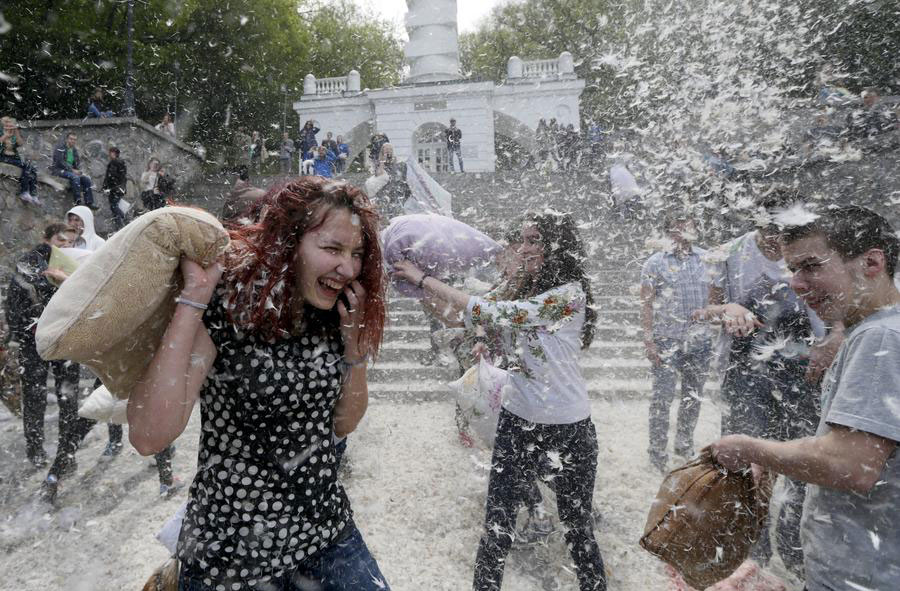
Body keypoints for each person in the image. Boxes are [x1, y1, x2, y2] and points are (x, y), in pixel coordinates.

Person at [126, 177, 390, 590]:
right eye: (332, 249)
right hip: (230, 553)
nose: (349, 267)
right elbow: (147, 437)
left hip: (326, 535)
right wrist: (195, 295)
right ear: (290, 242)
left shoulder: (334, 315)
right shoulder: (230, 306)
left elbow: (343, 425)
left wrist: (354, 347)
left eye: (356, 253)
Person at [393, 212, 606, 591]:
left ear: (558, 246)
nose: (523, 248)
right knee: (496, 528)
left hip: (569, 428)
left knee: (578, 532)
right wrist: (417, 289)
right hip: (516, 422)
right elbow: (463, 315)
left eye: (534, 240)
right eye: (522, 240)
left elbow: (493, 312)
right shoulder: (517, 285)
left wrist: (426, 278)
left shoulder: (568, 294)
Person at [710, 205, 900, 591]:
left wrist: (749, 448)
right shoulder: (879, 328)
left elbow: (853, 464)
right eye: (793, 269)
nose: (796, 284)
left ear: (872, 263)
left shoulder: (881, 338)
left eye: (811, 266)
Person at [640, 214, 712, 472]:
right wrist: (649, 341)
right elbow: (646, 304)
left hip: (700, 342)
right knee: (662, 399)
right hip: (666, 341)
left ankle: (684, 447)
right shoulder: (654, 263)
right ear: (668, 231)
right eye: (677, 225)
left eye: (688, 224)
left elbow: (716, 298)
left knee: (693, 398)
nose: (683, 230)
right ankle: (657, 453)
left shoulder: (707, 259)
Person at [4, 224, 79, 468]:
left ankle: (67, 451)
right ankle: (35, 450)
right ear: (45, 239)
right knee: (35, 396)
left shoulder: (74, 265)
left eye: (68, 242)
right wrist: (17, 335)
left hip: (64, 338)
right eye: (60, 240)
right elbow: (19, 297)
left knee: (67, 395)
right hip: (33, 340)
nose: (64, 246)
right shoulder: (30, 261)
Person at [0, 116, 41, 205]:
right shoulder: (1, 132)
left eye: (10, 124)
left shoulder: (14, 133)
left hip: (14, 158)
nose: (9, 126)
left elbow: (20, 143)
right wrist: (5, 136)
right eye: (6, 123)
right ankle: (24, 191)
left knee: (31, 168)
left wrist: (16, 132)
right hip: (3, 157)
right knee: (26, 167)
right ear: (3, 124)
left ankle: (33, 195)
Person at [51, 132, 97, 209]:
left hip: (70, 171)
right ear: (67, 139)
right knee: (75, 177)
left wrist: (79, 171)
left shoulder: (74, 150)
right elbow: (60, 162)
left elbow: (77, 163)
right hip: (59, 170)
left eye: (74, 140)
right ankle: (77, 202)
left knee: (86, 179)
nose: (73, 141)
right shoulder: (60, 147)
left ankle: (89, 202)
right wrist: (72, 170)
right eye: (71, 139)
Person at [101, 146, 128, 230]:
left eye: (111, 152)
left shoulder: (116, 162)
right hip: (117, 188)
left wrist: (107, 187)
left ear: (115, 153)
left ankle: (124, 217)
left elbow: (112, 177)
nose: (109, 154)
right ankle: (119, 226)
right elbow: (111, 177)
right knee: (114, 207)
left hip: (116, 188)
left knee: (114, 206)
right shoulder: (116, 162)